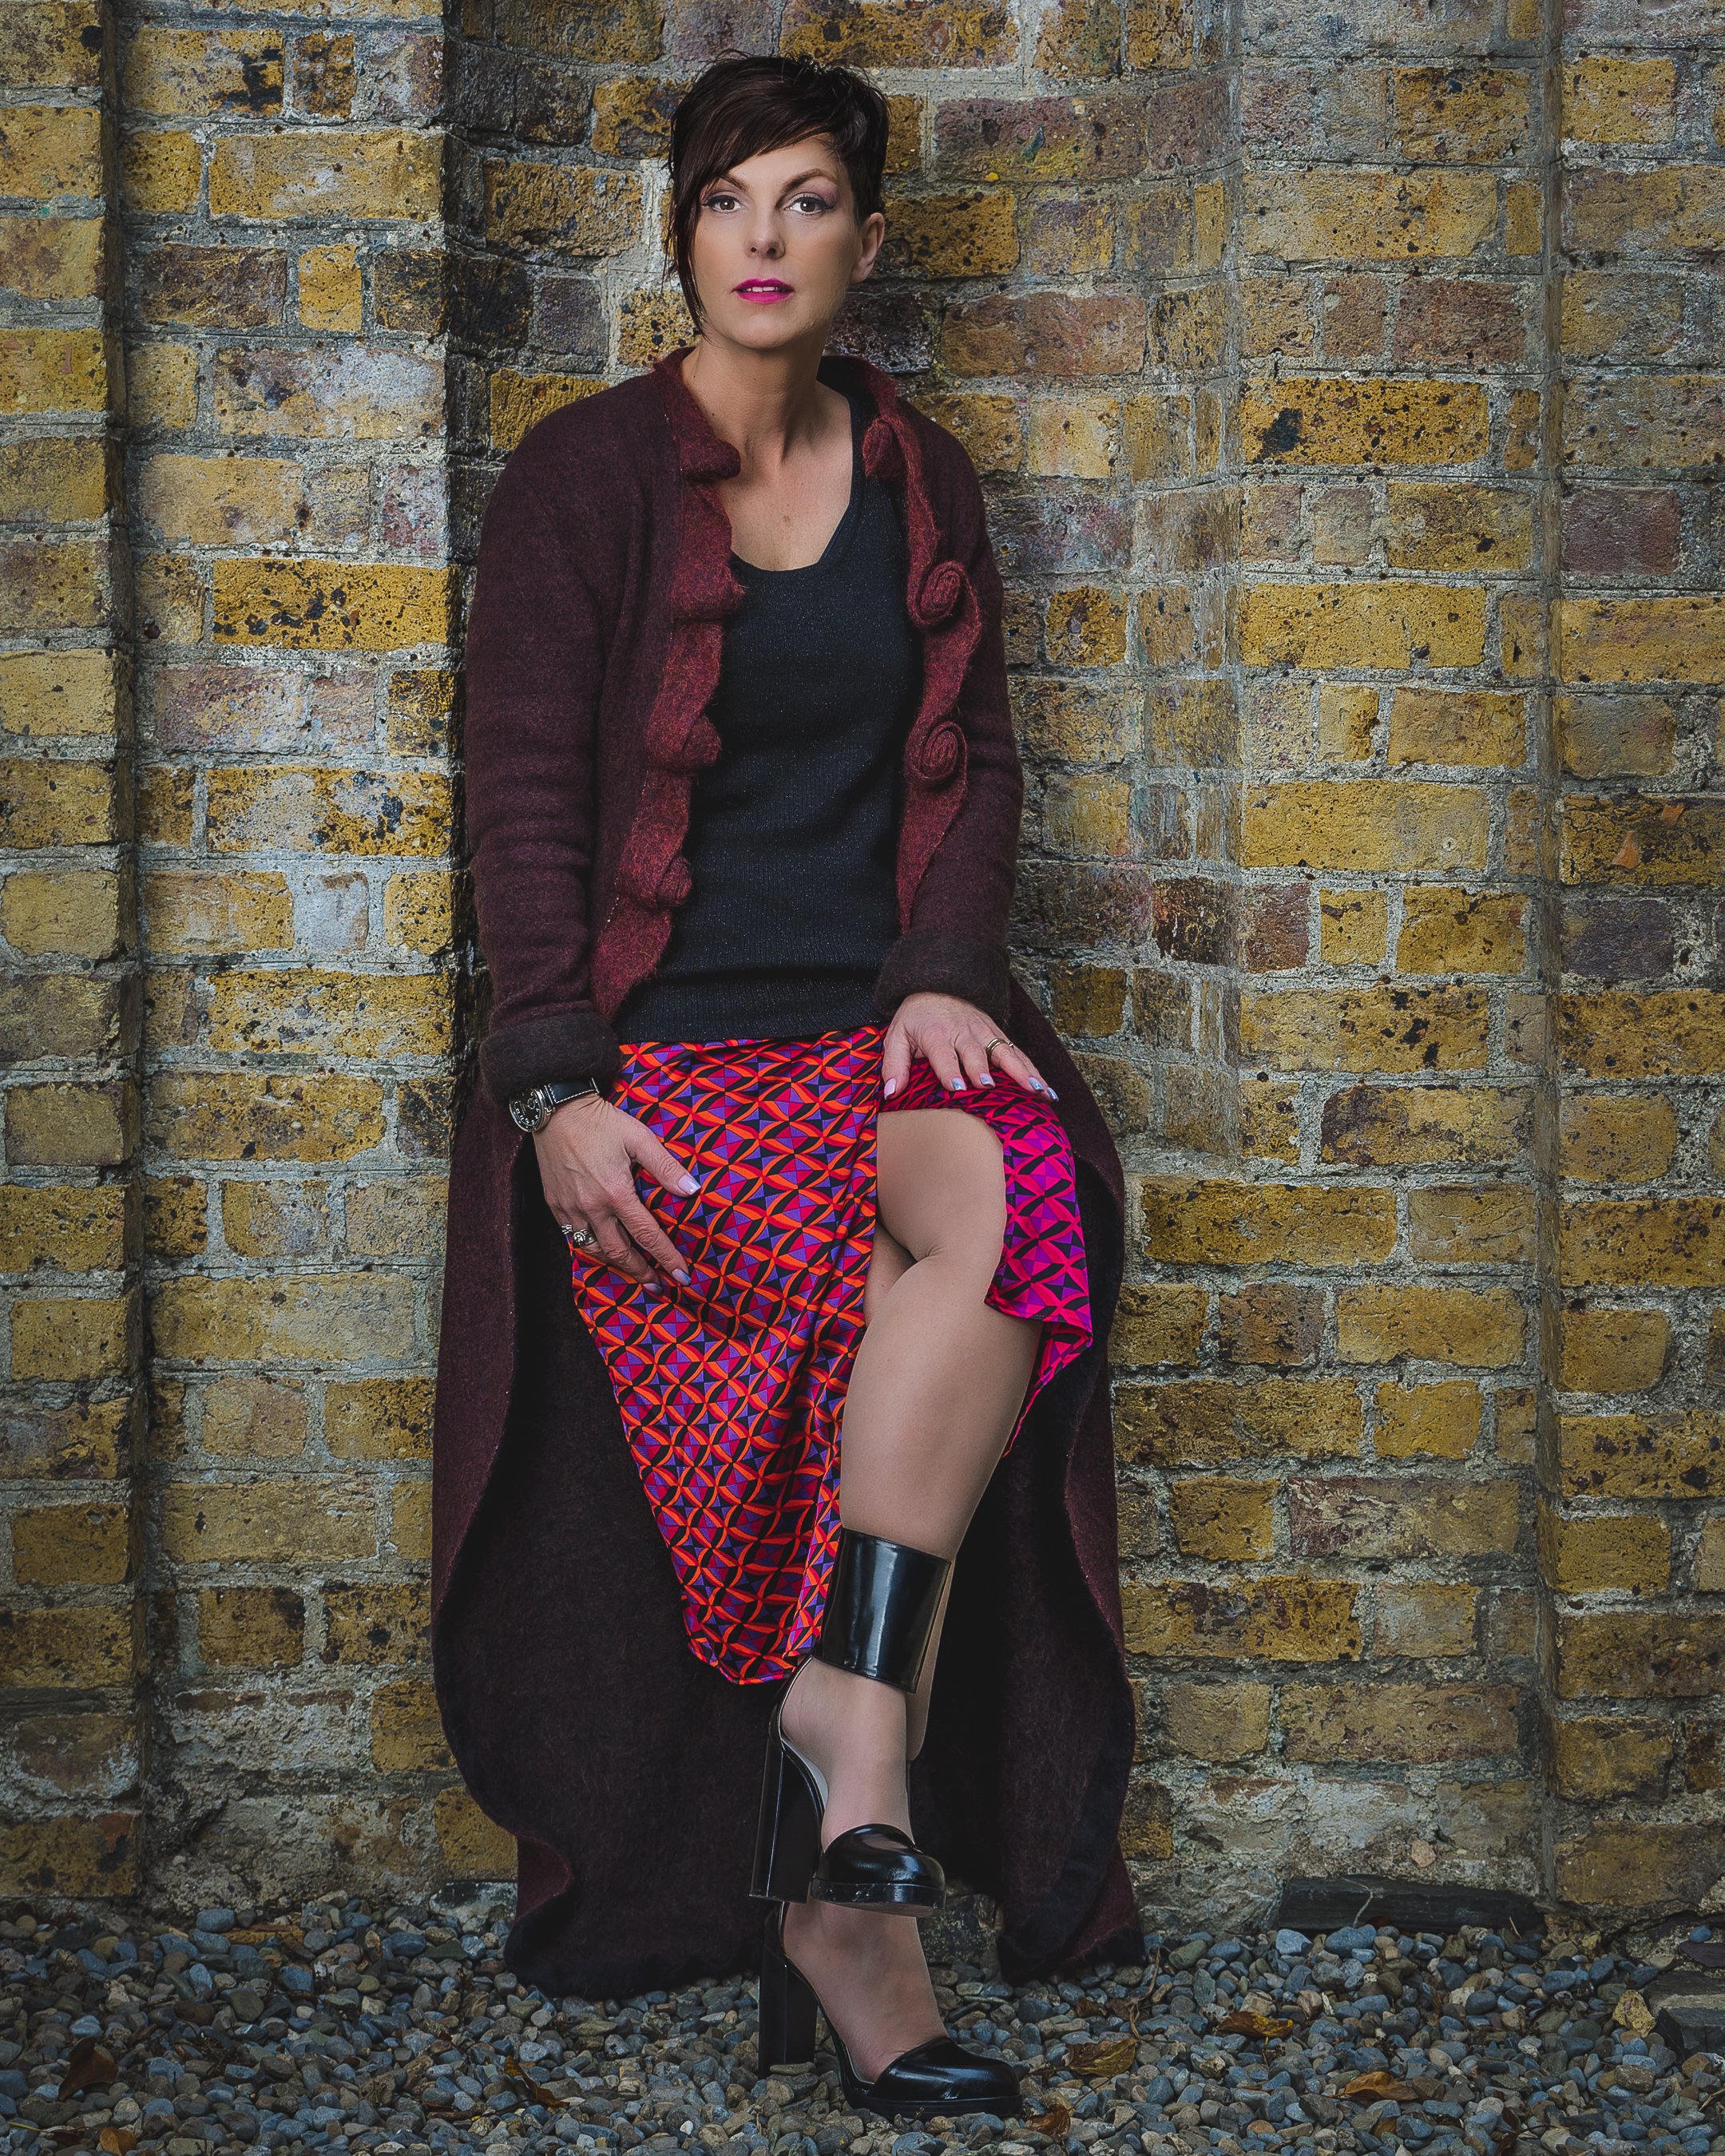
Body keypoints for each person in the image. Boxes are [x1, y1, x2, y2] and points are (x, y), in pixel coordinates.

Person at [430, 50, 1144, 2126]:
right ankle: (860, 1918)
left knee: (1025, 1199)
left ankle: (849, 1728)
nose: (765, 238)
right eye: (729, 200)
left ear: (866, 238)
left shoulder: (922, 475)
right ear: (682, 235)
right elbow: (523, 798)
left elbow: (978, 764)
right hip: (674, 1053)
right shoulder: (581, 479)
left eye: (808, 199)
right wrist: (552, 1085)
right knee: (889, 1313)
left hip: (876, 1029)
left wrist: (941, 976)